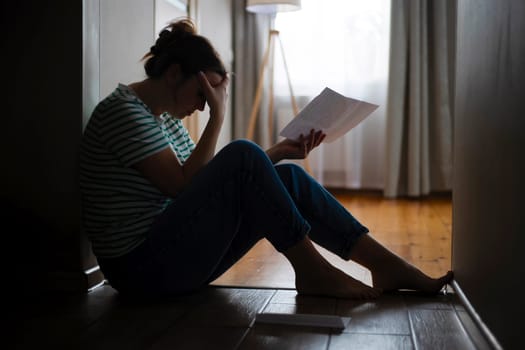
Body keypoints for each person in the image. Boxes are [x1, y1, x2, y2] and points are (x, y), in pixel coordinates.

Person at [80, 18, 452, 299]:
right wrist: (219, 118)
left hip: (169, 255)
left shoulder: (163, 118)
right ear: (174, 74)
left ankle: (384, 265)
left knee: (285, 175)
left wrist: (274, 154)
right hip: (138, 271)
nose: (202, 106)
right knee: (243, 153)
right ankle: (312, 271)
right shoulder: (123, 112)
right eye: (202, 94)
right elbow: (181, 186)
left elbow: (202, 186)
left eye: (208, 100)